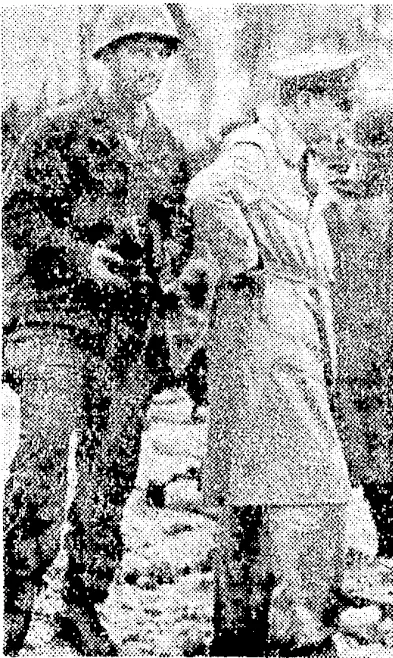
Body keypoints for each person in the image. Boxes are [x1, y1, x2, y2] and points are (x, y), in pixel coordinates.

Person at [2, 6, 189, 654]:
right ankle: (14, 600)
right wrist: (82, 258)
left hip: (127, 329)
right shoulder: (59, 130)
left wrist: (162, 265)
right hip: (56, 319)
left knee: (112, 470)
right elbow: (19, 219)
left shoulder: (168, 149)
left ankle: (82, 603)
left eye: (160, 53)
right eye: (136, 51)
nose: (150, 66)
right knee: (46, 456)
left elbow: (177, 235)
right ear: (107, 57)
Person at [176, 50, 361, 656]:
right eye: (334, 107)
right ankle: (288, 629)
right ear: (301, 101)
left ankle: (250, 625)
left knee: (271, 483)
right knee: (289, 484)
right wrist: (237, 256)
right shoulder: (250, 157)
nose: (342, 123)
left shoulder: (296, 164)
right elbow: (206, 195)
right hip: (261, 332)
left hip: (292, 330)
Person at [322, 93, 393, 559]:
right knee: (358, 427)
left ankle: (391, 528)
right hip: (351, 333)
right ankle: (377, 530)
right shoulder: (332, 205)